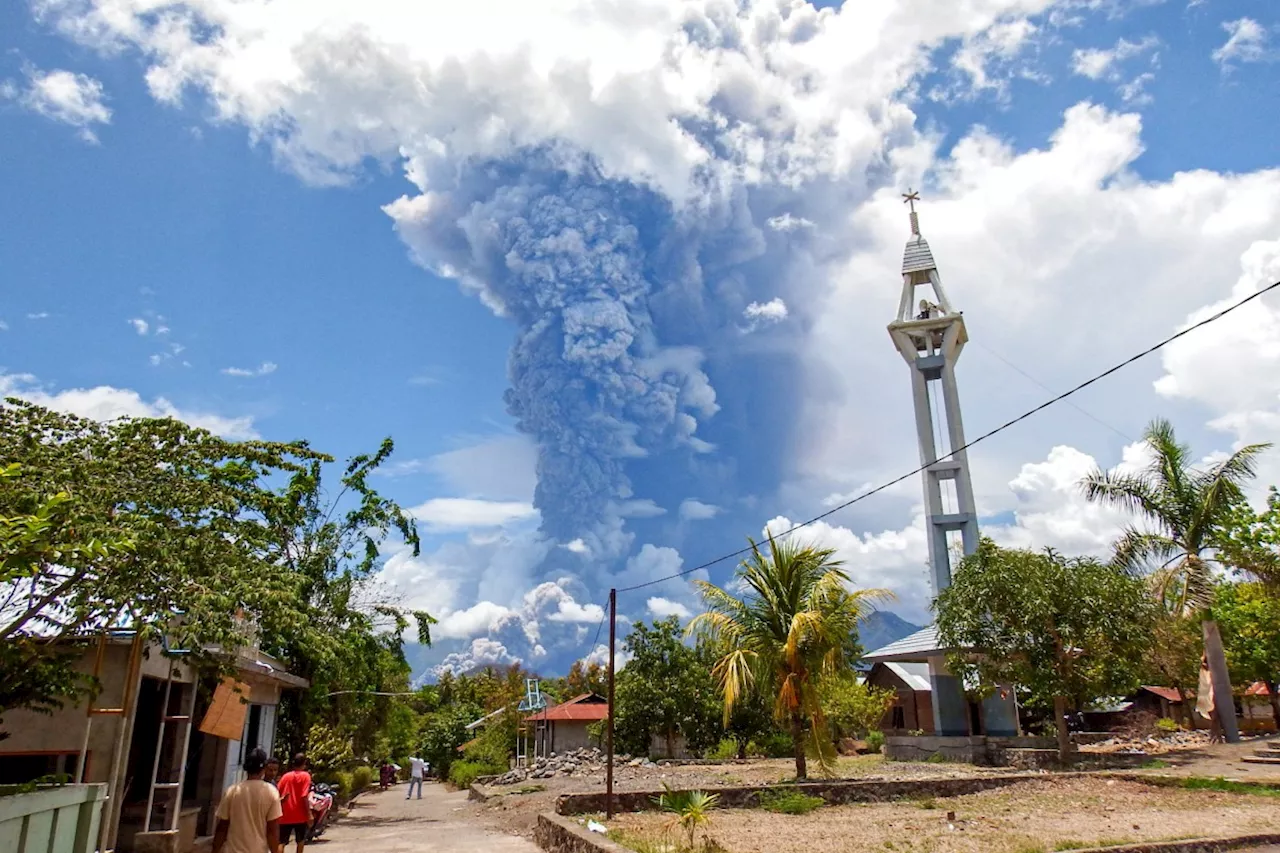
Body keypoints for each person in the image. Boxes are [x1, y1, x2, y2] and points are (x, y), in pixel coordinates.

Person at [212, 747, 282, 853]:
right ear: (263, 769)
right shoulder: (271, 792)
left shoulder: (232, 791)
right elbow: (272, 830)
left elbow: (222, 827)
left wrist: (215, 850)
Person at [276, 753, 313, 853]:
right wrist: (309, 814)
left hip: (285, 814)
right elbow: (304, 795)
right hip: (300, 815)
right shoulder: (306, 776)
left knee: (281, 842)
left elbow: (277, 792)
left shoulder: (285, 776)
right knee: (300, 841)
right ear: (304, 763)